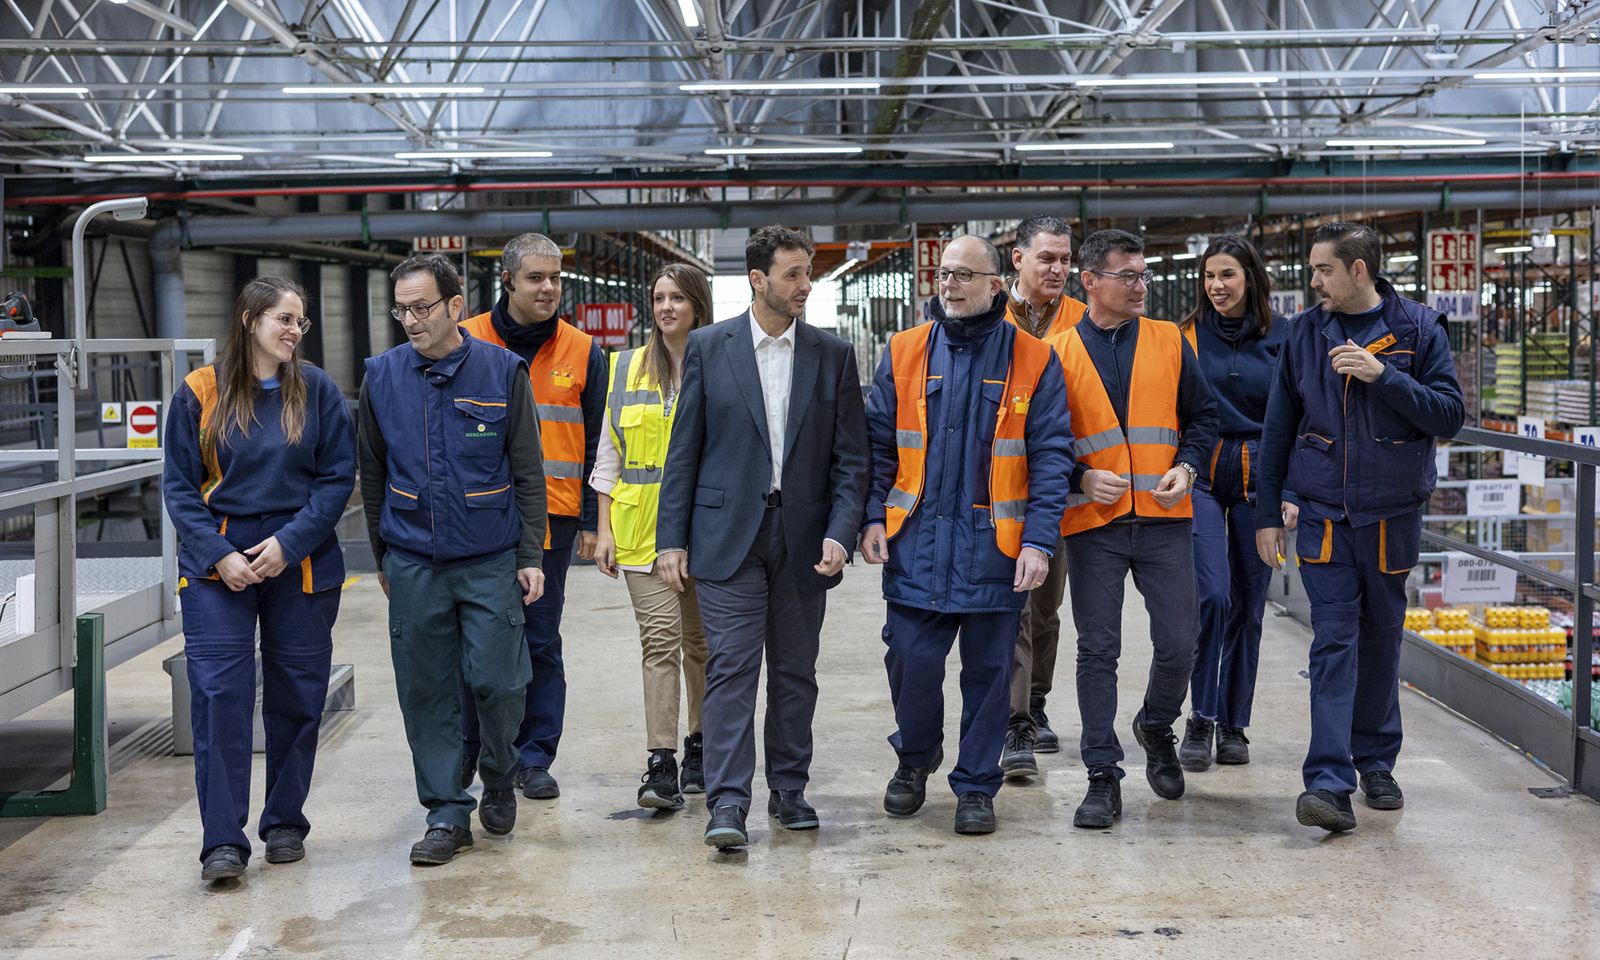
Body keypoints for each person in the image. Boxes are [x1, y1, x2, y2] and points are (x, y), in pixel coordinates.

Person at [657, 225, 869, 850]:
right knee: (731, 669)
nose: (806, 285)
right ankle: (727, 803)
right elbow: (684, 451)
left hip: (805, 539)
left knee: (796, 671)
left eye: (809, 274)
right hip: (726, 535)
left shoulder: (833, 354)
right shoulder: (708, 347)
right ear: (758, 280)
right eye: (794, 275)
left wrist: (841, 530)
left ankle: (789, 787)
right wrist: (672, 539)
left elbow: (851, 460)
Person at [1255, 222, 1464, 833]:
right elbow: (1277, 431)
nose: (1313, 281)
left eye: (1323, 270)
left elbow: (1449, 415)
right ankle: (1327, 781)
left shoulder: (1419, 330)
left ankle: (1376, 760)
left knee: (1381, 640)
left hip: (1391, 517)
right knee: (1334, 643)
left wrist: (1384, 377)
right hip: (1324, 516)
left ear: (1359, 270)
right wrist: (1268, 514)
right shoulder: (1303, 334)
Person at [860, 236, 1073, 835]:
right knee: (911, 661)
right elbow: (877, 443)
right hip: (916, 543)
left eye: (963, 275)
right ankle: (915, 754)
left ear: (995, 285)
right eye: (944, 274)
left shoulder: (1034, 359)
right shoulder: (903, 351)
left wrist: (1038, 540)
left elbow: (1052, 456)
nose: (949, 284)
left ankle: (977, 785)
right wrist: (872, 515)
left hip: (995, 547)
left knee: (989, 676)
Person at [163, 277, 355, 883]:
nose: (294, 330)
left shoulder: (316, 390)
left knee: (298, 694)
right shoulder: (201, 391)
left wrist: (288, 543)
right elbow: (178, 487)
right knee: (221, 696)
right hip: (218, 565)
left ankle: (284, 823)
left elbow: (335, 480)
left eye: (300, 321)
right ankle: (222, 840)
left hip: (297, 560)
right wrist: (220, 555)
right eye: (283, 318)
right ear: (249, 320)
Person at [358, 254, 548, 865]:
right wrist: (383, 555)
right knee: (427, 691)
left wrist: (530, 554)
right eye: (401, 310)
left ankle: (497, 772)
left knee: (500, 682)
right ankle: (446, 812)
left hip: (490, 558)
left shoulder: (501, 372)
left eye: (421, 308)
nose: (410, 321)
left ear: (455, 306)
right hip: (414, 560)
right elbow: (372, 473)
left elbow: (527, 470)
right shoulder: (381, 378)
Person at [1044, 228, 1217, 829]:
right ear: (1089, 281)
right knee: (1099, 649)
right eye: (1129, 276)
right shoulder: (1056, 352)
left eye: (1144, 275)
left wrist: (1190, 466)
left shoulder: (1171, 341)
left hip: (1166, 518)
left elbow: (1204, 418)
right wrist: (1080, 476)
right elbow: (1039, 443)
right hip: (1095, 524)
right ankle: (1101, 775)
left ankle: (1156, 723)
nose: (1142, 286)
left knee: (1179, 641)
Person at [459, 232, 607, 801]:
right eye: (535, 279)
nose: (548, 289)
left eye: (555, 279)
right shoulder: (467, 339)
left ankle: (534, 755)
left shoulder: (583, 350)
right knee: (475, 641)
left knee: (540, 639)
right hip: (478, 521)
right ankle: (474, 748)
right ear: (509, 281)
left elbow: (598, 443)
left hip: (553, 521)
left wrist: (595, 520)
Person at [592, 264, 712, 811]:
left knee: (703, 648)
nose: (666, 307)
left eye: (677, 298)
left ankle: (702, 747)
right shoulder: (625, 368)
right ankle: (661, 761)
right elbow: (608, 455)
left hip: (708, 534)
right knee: (660, 643)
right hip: (640, 531)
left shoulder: (720, 361)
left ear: (697, 305)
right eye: (659, 297)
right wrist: (602, 529)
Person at [1175, 236, 1292, 772]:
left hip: (1258, 476)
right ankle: (1199, 715)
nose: (1216, 286)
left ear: (1250, 277)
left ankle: (1233, 724)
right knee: (1212, 595)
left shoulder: (1283, 339)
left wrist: (1288, 493)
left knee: (1248, 605)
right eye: (1209, 276)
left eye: (1227, 275)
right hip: (1199, 469)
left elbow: (1298, 417)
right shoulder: (1186, 336)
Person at [998, 214, 1083, 778]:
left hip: (1063, 489)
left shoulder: (1084, 318)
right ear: (1018, 260)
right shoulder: (987, 314)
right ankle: (1015, 722)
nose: (1057, 269)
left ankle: (1038, 702)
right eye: (1046, 258)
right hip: (1000, 489)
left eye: (1064, 259)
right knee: (1014, 610)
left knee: (1047, 608)